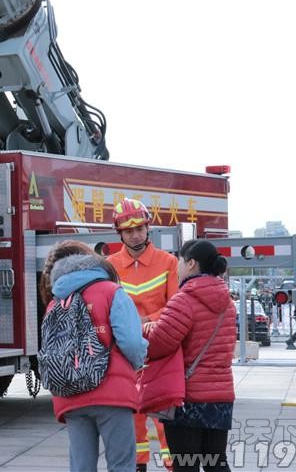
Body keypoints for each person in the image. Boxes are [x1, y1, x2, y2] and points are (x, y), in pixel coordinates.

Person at [41, 240, 147, 472]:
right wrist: (137, 364)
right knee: (121, 465)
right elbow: (131, 341)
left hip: (70, 394)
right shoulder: (111, 292)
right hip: (113, 394)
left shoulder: (55, 302)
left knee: (81, 466)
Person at [144, 240, 236, 472]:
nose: (177, 268)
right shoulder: (227, 302)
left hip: (189, 398)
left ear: (191, 263)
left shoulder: (184, 299)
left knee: (186, 465)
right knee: (216, 463)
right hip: (221, 395)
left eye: (180, 262)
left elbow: (158, 345)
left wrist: (146, 330)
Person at [107, 198, 177, 470]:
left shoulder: (168, 262)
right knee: (132, 418)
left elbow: (176, 305)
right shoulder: (110, 266)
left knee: (166, 421)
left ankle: (174, 466)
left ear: (148, 228)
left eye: (139, 228)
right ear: (120, 233)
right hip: (125, 354)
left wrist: (146, 320)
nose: (135, 235)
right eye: (128, 230)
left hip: (160, 352)